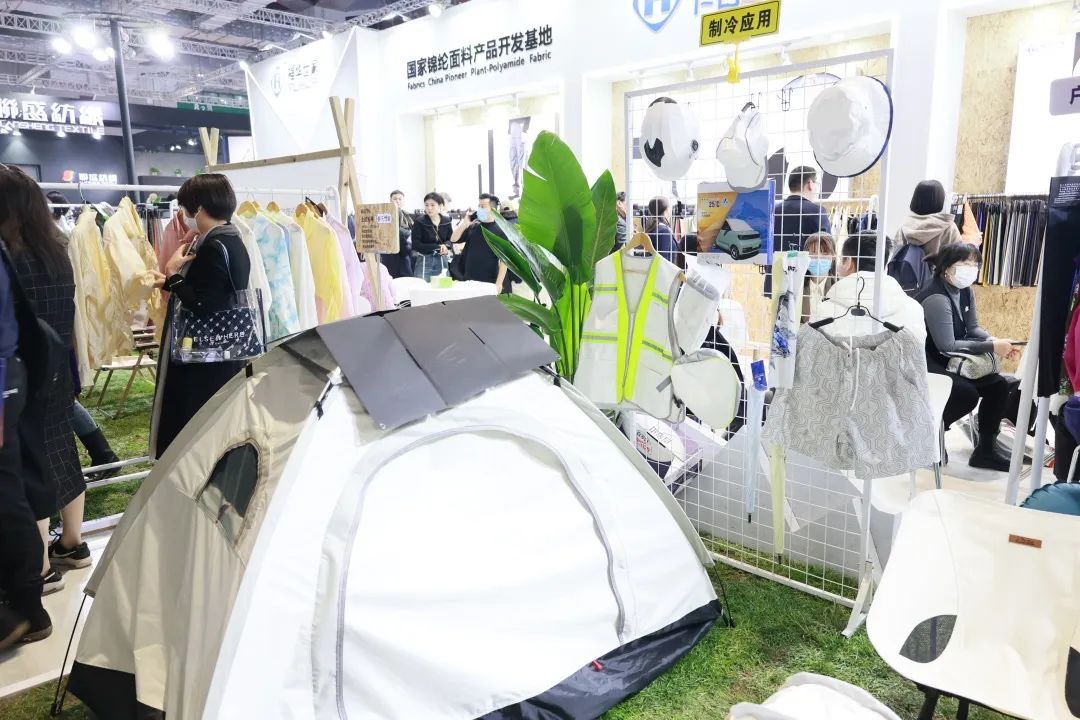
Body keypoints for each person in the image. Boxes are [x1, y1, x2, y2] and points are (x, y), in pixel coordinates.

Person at [0, 166, 88, 590]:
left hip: (21, 373)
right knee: (61, 448)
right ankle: (73, 543)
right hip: (57, 365)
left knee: (29, 464)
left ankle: (40, 569)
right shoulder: (58, 251)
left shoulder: (9, 257)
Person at [150, 174, 250, 458]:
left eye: (185, 208)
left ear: (200, 209)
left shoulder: (213, 246)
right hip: (220, 350)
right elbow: (211, 290)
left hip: (204, 357)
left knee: (197, 428)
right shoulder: (231, 239)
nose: (184, 216)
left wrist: (172, 274)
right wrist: (170, 283)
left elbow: (204, 304)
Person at [0, 181, 57, 646]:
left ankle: (24, 605)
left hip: (6, 378)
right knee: (10, 484)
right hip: (18, 376)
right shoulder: (41, 248)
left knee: (6, 490)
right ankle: (25, 603)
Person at [916, 243, 1021, 471]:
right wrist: (991, 346)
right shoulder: (936, 298)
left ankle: (985, 451)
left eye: (975, 263)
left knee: (999, 386)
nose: (971, 268)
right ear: (946, 267)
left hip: (953, 359)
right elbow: (946, 345)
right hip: (929, 360)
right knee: (965, 394)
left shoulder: (965, 290)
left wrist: (996, 340)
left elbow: (973, 328)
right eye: (964, 263)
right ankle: (929, 435)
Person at [811, 233, 926, 345]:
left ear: (848, 262)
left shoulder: (823, 313)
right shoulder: (914, 310)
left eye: (841, 260)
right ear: (884, 266)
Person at [892, 180, 963, 294]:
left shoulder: (905, 226)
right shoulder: (948, 228)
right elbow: (958, 263)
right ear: (940, 200)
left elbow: (895, 254)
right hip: (937, 290)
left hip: (905, 288)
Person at [450, 193, 512, 291]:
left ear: (493, 209)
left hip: (489, 280)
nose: (479, 209)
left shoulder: (500, 230)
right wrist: (464, 224)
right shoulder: (474, 227)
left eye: (483, 206)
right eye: (479, 206)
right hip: (469, 279)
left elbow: (504, 260)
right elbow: (453, 239)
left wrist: (499, 283)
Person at [774, 166, 831, 254]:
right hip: (806, 263)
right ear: (810, 184)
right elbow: (827, 250)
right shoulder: (817, 212)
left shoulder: (774, 211)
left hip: (774, 263)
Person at [411, 192, 453, 281]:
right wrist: (437, 247)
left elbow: (451, 240)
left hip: (442, 260)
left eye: (432, 205)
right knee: (422, 286)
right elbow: (415, 244)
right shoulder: (419, 221)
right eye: (426, 205)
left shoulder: (447, 221)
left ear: (440, 206)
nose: (429, 208)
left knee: (443, 287)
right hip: (424, 260)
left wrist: (446, 246)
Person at [801, 233, 836, 323]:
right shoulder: (797, 286)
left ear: (833, 256)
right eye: (813, 252)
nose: (818, 257)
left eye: (824, 253)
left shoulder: (839, 286)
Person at [382, 190, 414, 279]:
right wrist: (406, 233)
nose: (397, 201)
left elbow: (413, 229)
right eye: (395, 199)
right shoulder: (384, 214)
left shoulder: (407, 215)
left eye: (400, 199)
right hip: (390, 251)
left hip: (405, 250)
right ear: (390, 200)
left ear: (403, 201)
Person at [643, 197, 678, 263]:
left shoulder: (653, 227)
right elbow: (663, 260)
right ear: (666, 210)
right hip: (665, 268)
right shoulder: (663, 231)